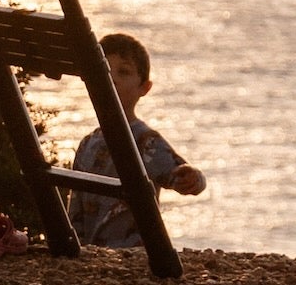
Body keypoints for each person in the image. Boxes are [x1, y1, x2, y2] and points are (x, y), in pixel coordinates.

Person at [64, 32, 207, 255]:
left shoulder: (146, 141)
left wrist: (193, 178)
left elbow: (182, 177)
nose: (112, 78)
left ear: (144, 88)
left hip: (135, 253)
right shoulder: (88, 144)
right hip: (91, 252)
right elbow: (76, 209)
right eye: (106, 69)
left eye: (124, 72)